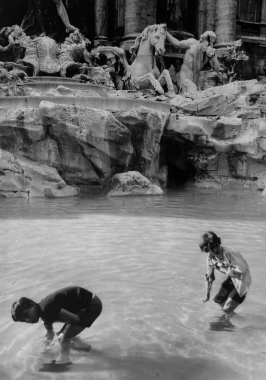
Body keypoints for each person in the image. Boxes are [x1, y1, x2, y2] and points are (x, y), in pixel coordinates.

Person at [11, 286, 102, 364]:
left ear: (32, 305)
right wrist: (48, 340)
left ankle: (64, 361)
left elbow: (76, 319)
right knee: (62, 334)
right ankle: (84, 347)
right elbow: (49, 329)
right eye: (23, 320)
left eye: (26, 315)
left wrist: (65, 335)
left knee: (63, 338)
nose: (27, 320)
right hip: (82, 305)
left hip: (91, 305)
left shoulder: (48, 308)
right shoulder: (42, 312)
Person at [199, 231, 251, 318]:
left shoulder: (230, 253)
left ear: (218, 243)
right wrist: (207, 295)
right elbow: (209, 277)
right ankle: (231, 318)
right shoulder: (210, 258)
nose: (213, 251)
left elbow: (242, 269)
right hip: (232, 278)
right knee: (218, 300)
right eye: (209, 250)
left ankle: (228, 318)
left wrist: (222, 268)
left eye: (214, 247)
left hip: (243, 280)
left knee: (227, 308)